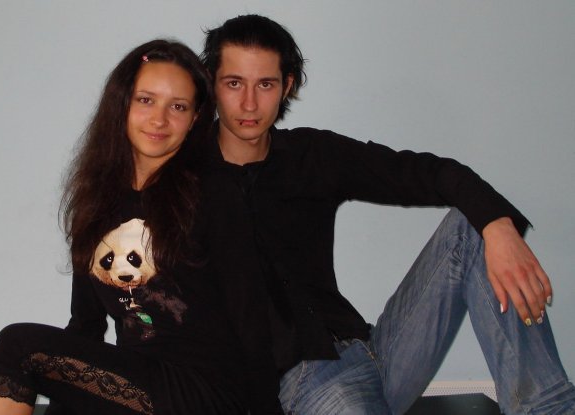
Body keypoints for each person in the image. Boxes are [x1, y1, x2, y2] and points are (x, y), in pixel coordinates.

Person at [198, 14, 575, 415]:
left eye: (265, 84)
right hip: (306, 378)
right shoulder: (184, 179)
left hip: (375, 352)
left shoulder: (312, 156)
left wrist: (500, 228)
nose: (249, 103)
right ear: (212, 84)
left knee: (473, 227)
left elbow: (433, 173)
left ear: (286, 86)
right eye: (234, 83)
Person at [0, 39, 281, 415]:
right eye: (146, 100)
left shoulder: (214, 193)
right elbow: (85, 326)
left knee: (17, 345)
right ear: (121, 103)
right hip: (140, 387)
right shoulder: (97, 202)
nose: (159, 119)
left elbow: (252, 319)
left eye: (178, 107)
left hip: (206, 390)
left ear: (195, 118)